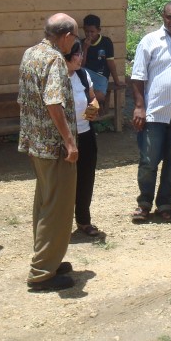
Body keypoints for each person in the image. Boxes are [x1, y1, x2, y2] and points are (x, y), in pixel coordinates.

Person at [18, 13, 79, 291]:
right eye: (74, 37)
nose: (74, 42)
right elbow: (54, 103)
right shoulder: (54, 60)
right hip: (54, 148)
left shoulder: (31, 53)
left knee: (45, 203)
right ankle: (42, 272)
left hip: (36, 145)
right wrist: (69, 142)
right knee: (58, 209)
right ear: (66, 36)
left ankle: (49, 259)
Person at [130, 1, 171, 223]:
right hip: (154, 114)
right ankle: (144, 203)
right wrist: (139, 106)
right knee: (148, 160)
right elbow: (138, 76)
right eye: (169, 17)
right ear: (162, 16)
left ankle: (165, 203)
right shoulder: (150, 41)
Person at [64, 40, 101, 237]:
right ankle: (61, 223)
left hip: (85, 133)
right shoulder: (58, 78)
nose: (81, 58)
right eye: (77, 54)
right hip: (64, 137)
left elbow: (92, 97)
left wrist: (93, 109)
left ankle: (84, 221)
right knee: (64, 182)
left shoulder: (82, 74)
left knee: (86, 178)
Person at [81, 14, 124, 104]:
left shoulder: (106, 42)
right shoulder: (82, 43)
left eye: (92, 32)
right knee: (84, 95)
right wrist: (85, 49)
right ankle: (89, 116)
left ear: (99, 30)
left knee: (99, 97)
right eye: (87, 31)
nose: (89, 34)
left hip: (101, 75)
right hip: (85, 73)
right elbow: (81, 65)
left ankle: (89, 115)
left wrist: (117, 81)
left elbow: (110, 63)